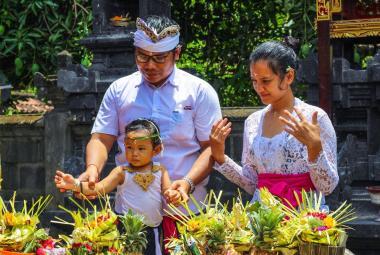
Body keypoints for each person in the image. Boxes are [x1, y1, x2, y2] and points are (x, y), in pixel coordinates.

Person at [74, 15, 222, 250]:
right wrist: (93, 170)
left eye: (160, 58)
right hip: (132, 215)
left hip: (185, 211)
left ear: (177, 53)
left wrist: (187, 183)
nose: (150, 65)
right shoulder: (119, 90)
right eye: (142, 56)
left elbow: (211, 149)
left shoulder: (199, 92)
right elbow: (101, 138)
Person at [209, 41, 339, 207]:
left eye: (266, 81)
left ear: (289, 76)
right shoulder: (253, 122)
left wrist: (314, 147)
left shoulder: (314, 118)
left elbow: (327, 187)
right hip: (264, 218)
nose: (259, 88)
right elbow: (252, 183)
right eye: (254, 81)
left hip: (304, 219)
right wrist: (220, 157)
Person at [55, 118, 181, 255]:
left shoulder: (160, 171)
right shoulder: (121, 172)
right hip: (125, 231)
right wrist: (75, 184)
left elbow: (168, 191)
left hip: (153, 229)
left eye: (141, 148)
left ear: (156, 150)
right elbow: (98, 188)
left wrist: (174, 195)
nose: (134, 153)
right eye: (129, 148)